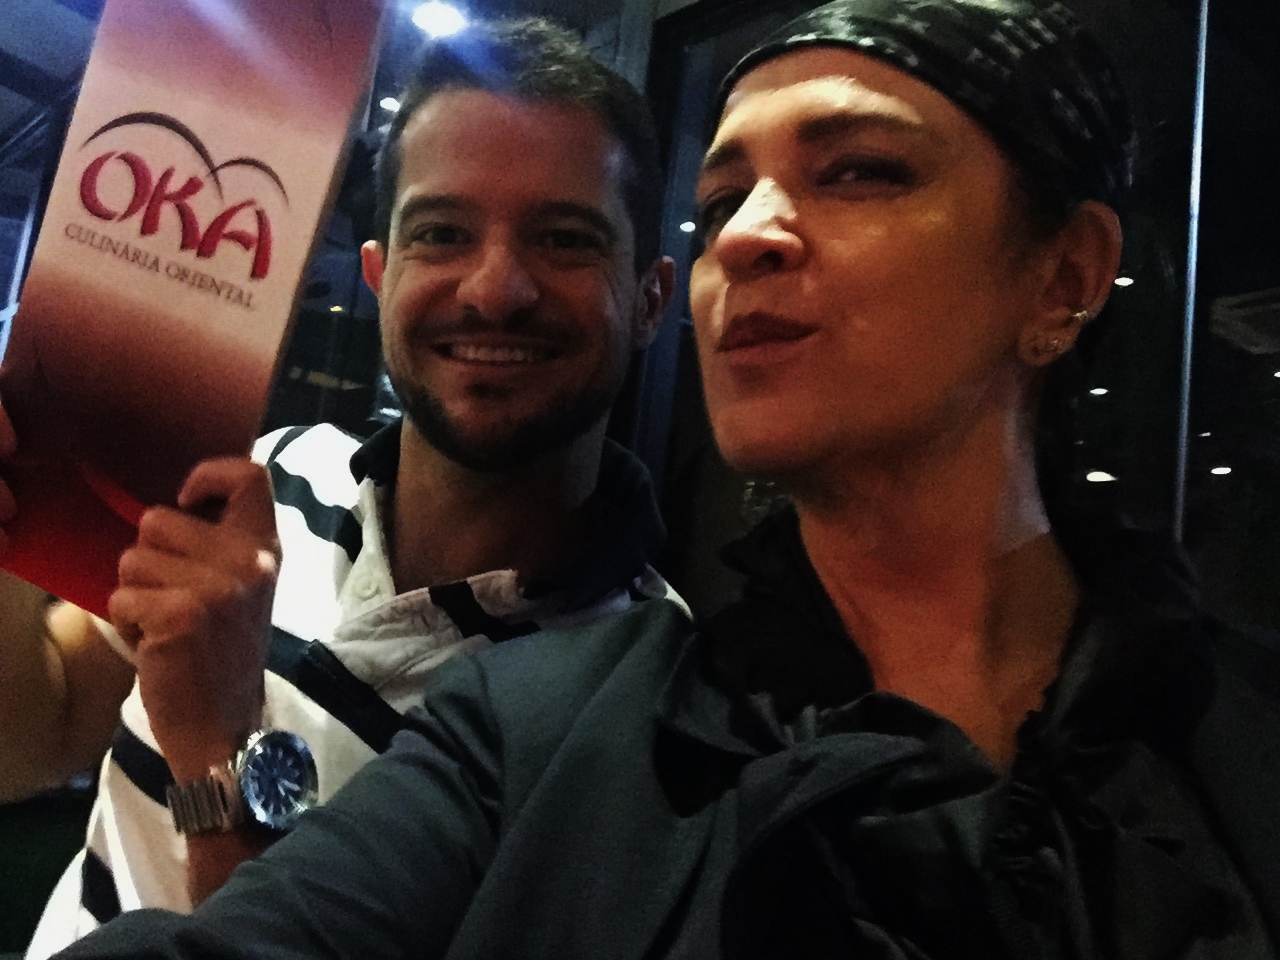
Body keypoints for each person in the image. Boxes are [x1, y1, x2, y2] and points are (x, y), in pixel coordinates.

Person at [48, 0, 1280, 957]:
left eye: (858, 169)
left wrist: (215, 751)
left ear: (1064, 276)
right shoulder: (542, 713)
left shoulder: (1233, 738)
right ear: (377, 275)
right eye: (724, 197)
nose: (744, 236)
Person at [0, 16, 684, 956]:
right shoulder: (270, 476)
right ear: (379, 272)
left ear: (650, 298)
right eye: (441, 233)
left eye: (565, 239)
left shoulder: (652, 702)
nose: (494, 289)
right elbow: (30, 739)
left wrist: (216, 756)